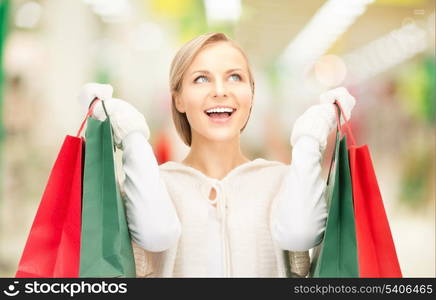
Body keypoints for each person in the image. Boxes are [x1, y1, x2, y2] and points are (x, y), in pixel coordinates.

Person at [78, 32, 355, 277]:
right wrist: (132, 135)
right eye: (201, 79)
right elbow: (156, 233)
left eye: (235, 77)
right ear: (178, 98)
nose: (220, 91)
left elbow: (299, 233)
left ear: (251, 94)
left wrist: (309, 137)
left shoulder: (281, 181)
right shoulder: (154, 184)